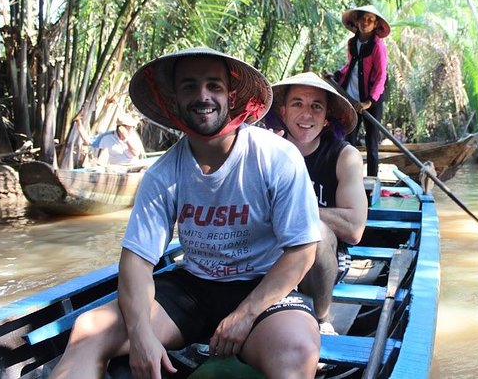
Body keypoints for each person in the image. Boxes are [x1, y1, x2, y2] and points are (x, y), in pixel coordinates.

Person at [50, 48, 322, 379]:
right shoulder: (162, 173)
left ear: (231, 96)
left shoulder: (276, 157)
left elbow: (303, 249)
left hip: (261, 285)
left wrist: (246, 314)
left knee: (297, 351)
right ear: (174, 99)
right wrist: (141, 337)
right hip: (193, 287)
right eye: (190, 87)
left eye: (213, 86)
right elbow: (136, 259)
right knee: (89, 329)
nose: (202, 96)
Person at [265, 72, 368, 335]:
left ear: (325, 119)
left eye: (316, 107)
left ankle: (321, 319)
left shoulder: (344, 156)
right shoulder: (267, 151)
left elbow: (355, 229)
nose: (306, 114)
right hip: (270, 254)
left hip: (324, 261)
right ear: (283, 110)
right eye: (297, 103)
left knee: (316, 232)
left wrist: (296, 207)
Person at [332, 5, 390, 177]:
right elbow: (351, 67)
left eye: (370, 20)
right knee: (348, 140)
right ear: (357, 22)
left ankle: (372, 180)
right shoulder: (352, 43)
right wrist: (335, 75)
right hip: (352, 97)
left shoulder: (378, 46)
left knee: (371, 143)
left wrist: (369, 101)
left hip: (371, 100)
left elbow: (381, 76)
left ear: (375, 25)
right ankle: (349, 176)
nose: (366, 23)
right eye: (363, 19)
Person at [74, 113, 145, 166]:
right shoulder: (107, 137)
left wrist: (126, 139)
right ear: (121, 127)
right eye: (130, 127)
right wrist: (79, 124)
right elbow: (88, 141)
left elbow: (135, 153)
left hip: (133, 167)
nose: (132, 129)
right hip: (117, 169)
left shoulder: (133, 136)